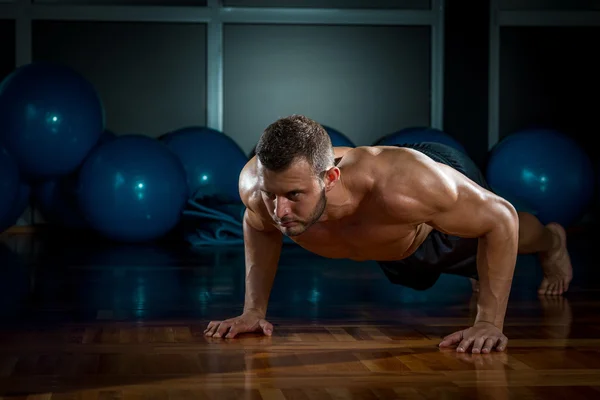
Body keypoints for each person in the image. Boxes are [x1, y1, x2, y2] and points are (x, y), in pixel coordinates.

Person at [204, 115, 573, 354]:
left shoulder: (406, 188)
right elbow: (258, 225)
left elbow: (501, 217)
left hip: (423, 192)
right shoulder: (257, 186)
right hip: (394, 245)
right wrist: (253, 311)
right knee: (420, 274)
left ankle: (552, 241)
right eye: (272, 194)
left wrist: (489, 323)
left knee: (502, 235)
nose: (279, 212)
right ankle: (480, 270)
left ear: (330, 179)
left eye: (294, 195)